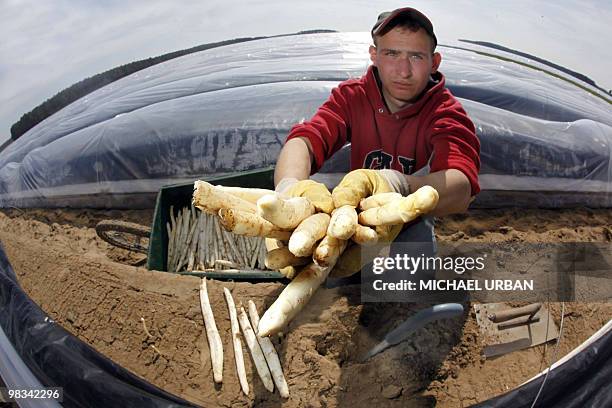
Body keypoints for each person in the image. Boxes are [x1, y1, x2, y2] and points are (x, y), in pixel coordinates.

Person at [273, 7, 481, 283]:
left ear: (434, 62)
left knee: (406, 288)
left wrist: (400, 186)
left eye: (416, 57)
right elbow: (305, 141)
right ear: (374, 56)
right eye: (392, 54)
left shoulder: (444, 111)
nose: (403, 71)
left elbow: (461, 185)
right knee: (325, 279)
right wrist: (290, 189)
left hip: (408, 222)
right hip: (351, 217)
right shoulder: (353, 97)